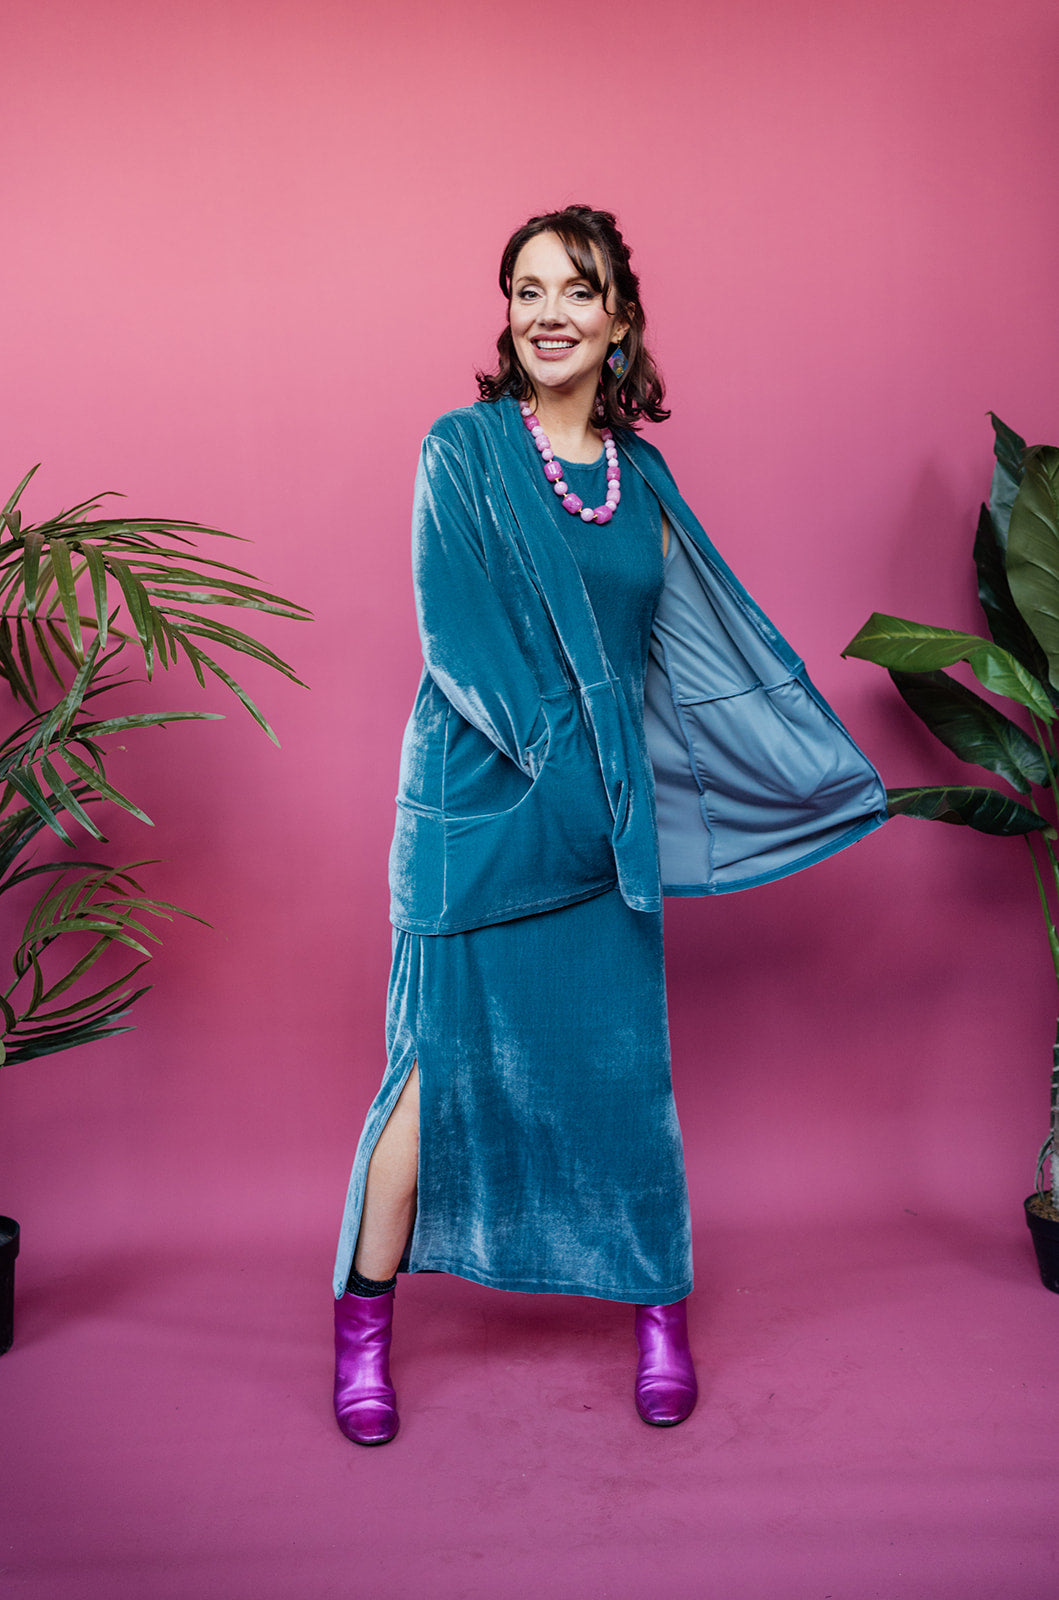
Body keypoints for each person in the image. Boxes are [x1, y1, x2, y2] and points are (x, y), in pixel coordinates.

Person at [332, 205, 887, 1446]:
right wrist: (572, 773)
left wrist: (797, 767)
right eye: (526, 290)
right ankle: (361, 1325)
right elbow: (457, 637)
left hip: (600, 826)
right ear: (505, 315)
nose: (548, 314)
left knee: (624, 1082)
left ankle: (656, 1313)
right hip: (478, 814)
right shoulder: (461, 449)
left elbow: (697, 649)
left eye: (574, 291)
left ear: (618, 318)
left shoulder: (642, 480)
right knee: (429, 1077)